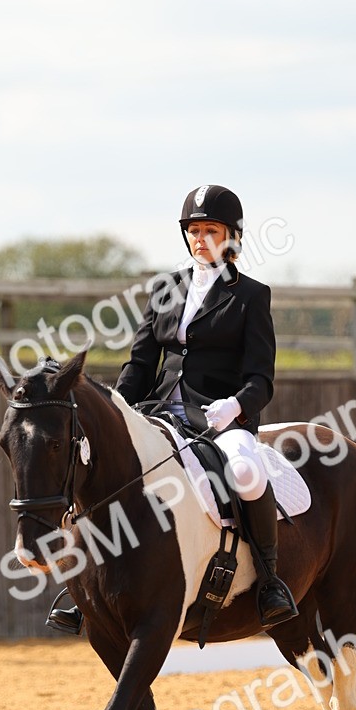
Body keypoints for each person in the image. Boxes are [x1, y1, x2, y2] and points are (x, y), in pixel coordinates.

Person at [47, 183, 298, 636]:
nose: (200, 239)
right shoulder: (165, 289)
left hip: (221, 418)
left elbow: (262, 378)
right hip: (157, 409)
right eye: (194, 230)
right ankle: (82, 587)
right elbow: (141, 362)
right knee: (106, 469)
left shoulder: (251, 296)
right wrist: (119, 409)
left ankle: (270, 580)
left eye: (211, 230)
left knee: (245, 471)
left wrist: (237, 407)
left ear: (232, 236)